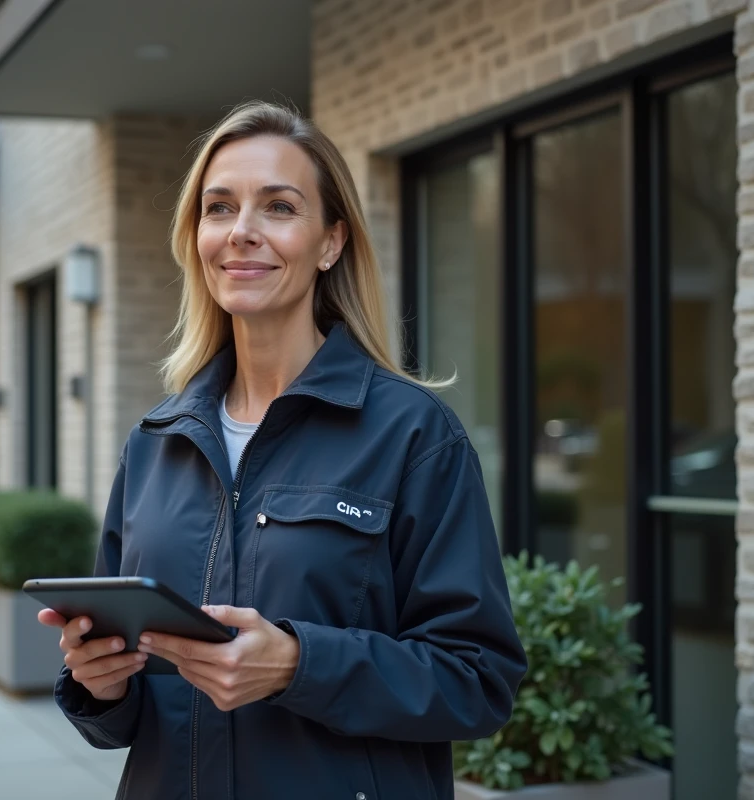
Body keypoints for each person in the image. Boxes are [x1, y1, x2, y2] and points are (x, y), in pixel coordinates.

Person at [38, 100, 527, 800]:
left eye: (278, 207)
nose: (241, 232)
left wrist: (300, 665)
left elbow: (478, 682)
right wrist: (99, 683)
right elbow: (123, 723)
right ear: (197, 237)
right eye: (219, 208)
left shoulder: (415, 436)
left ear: (330, 242)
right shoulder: (155, 445)